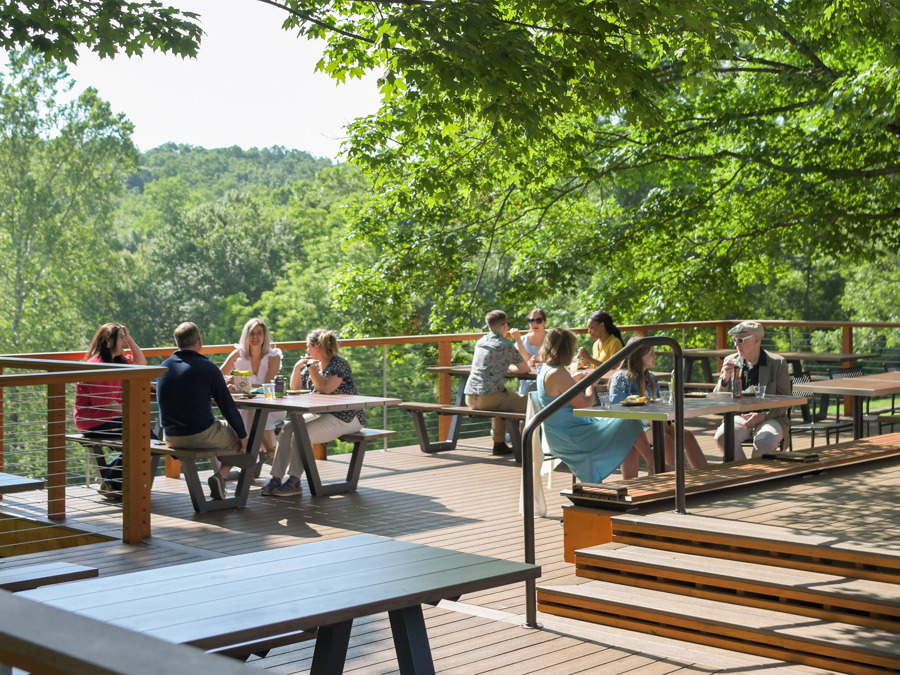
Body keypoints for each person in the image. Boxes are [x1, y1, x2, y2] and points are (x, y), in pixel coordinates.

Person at [261, 329, 364, 497]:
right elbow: (296, 389)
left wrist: (310, 368)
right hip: (323, 414)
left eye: (308, 346)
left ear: (316, 347)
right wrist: (297, 367)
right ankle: (276, 478)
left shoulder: (338, 364)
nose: (306, 349)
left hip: (346, 417)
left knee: (302, 434)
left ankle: (294, 481)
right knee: (288, 429)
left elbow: (324, 389)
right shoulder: (314, 364)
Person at [537, 328, 648, 483]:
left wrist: (573, 380)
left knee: (628, 427)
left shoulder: (545, 369)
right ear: (566, 350)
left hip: (560, 432)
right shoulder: (559, 373)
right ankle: (654, 465)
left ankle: (632, 482)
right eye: (573, 349)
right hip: (573, 435)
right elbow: (585, 406)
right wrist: (591, 384)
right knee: (630, 421)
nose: (574, 352)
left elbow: (557, 392)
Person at [157, 322, 250, 500]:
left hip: (171, 437)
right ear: (199, 340)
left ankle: (221, 478)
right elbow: (227, 406)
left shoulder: (164, 367)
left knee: (227, 429)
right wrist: (243, 434)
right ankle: (221, 477)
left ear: (177, 342)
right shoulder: (207, 367)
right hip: (200, 434)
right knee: (239, 436)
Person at [609, 338, 709, 471]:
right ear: (638, 355)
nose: (655, 356)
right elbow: (618, 409)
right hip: (633, 427)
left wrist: (662, 423)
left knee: (687, 436)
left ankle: (705, 476)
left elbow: (659, 405)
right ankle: (679, 479)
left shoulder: (650, 377)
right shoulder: (621, 378)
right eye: (651, 352)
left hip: (653, 424)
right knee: (664, 439)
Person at [713, 320, 791, 458]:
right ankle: (745, 474)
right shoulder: (731, 360)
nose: (736, 345)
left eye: (741, 340)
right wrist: (725, 377)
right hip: (739, 416)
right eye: (734, 340)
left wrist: (763, 416)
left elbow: (786, 401)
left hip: (770, 417)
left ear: (757, 340)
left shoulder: (777, 363)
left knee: (766, 440)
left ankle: (756, 476)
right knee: (722, 437)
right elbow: (717, 399)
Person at [464, 310, 531, 456]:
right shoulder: (505, 344)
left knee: (503, 398)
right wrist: (512, 367)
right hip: (489, 398)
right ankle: (525, 446)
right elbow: (525, 368)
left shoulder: (481, 342)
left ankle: (499, 443)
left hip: (469, 397)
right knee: (530, 405)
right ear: (504, 325)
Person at [220, 318, 284, 463]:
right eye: (252, 333)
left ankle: (248, 458)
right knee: (249, 411)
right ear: (246, 336)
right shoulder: (238, 354)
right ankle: (268, 454)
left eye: (259, 333)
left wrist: (239, 383)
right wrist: (229, 383)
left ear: (264, 336)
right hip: (246, 406)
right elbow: (219, 376)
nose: (255, 337)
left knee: (253, 412)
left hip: (272, 406)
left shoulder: (274, 357)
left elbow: (267, 387)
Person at [74, 323, 147, 437]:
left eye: (125, 338)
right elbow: (106, 403)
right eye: (121, 338)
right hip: (93, 422)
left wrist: (128, 338)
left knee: (144, 435)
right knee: (142, 433)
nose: (124, 342)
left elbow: (141, 362)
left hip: (110, 418)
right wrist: (133, 413)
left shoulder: (118, 362)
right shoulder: (96, 365)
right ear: (109, 340)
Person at [512, 308, 548, 395]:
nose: (534, 323)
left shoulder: (551, 338)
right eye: (531, 321)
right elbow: (525, 362)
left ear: (544, 322)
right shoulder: (523, 339)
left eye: (538, 320)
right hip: (529, 379)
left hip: (548, 376)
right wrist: (518, 339)